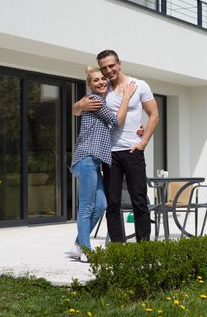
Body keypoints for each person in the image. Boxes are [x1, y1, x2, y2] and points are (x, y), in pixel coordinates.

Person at [73, 50, 159, 242]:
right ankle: (118, 247)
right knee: (112, 203)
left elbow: (154, 115)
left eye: (111, 66)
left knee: (139, 200)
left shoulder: (139, 85)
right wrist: (79, 105)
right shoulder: (103, 90)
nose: (108, 71)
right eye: (104, 68)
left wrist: (143, 141)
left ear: (119, 63)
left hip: (132, 150)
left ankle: (144, 246)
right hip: (109, 153)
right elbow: (77, 109)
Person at [69, 66, 136, 262]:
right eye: (96, 80)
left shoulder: (96, 101)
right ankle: (86, 251)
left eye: (102, 79)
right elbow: (116, 121)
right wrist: (126, 96)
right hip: (87, 159)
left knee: (101, 204)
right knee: (87, 207)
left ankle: (79, 244)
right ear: (90, 85)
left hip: (93, 162)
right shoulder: (96, 101)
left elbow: (76, 111)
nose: (101, 82)